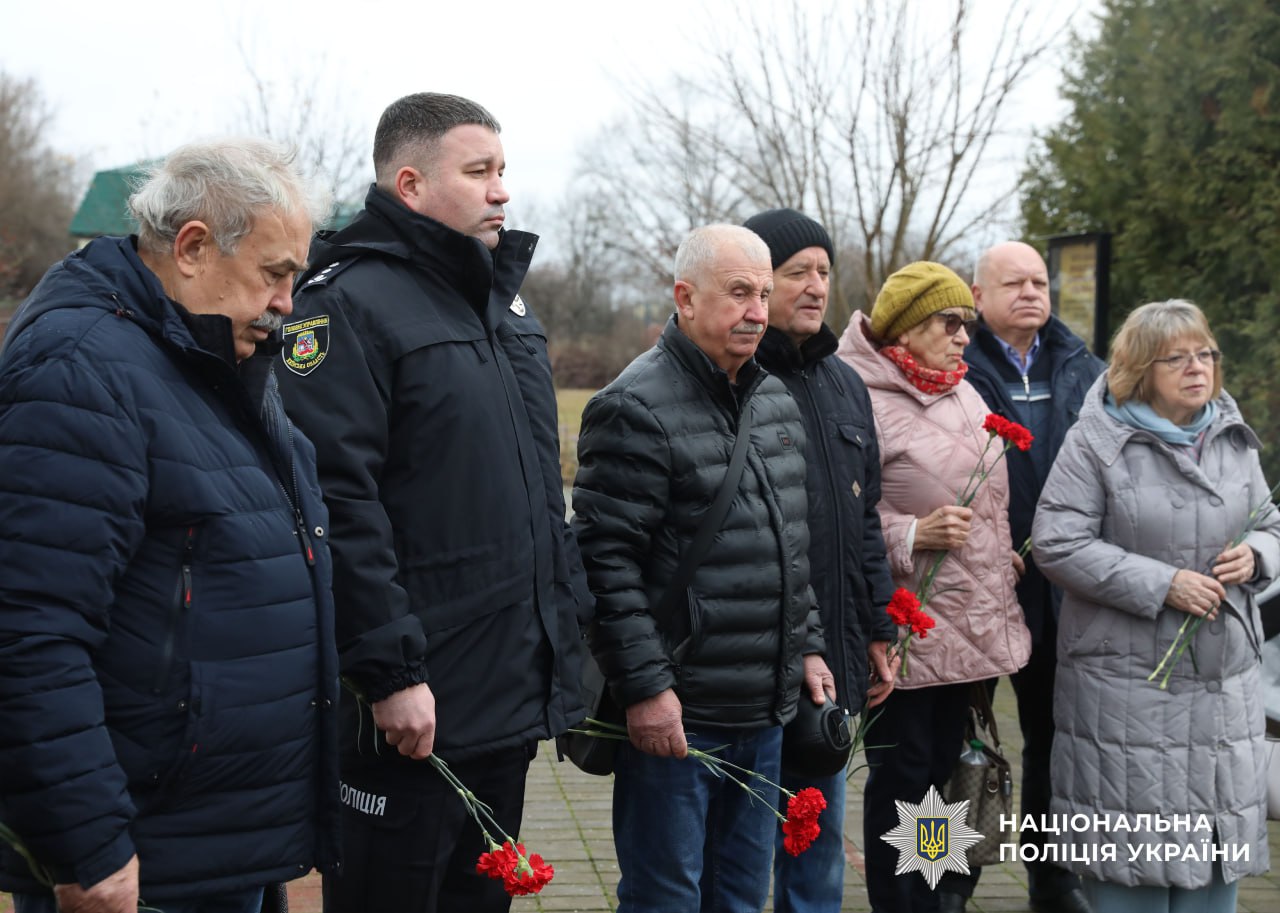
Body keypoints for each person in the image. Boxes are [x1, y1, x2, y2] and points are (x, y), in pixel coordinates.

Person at [0, 139, 339, 913]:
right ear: (192, 248)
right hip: (141, 858)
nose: (290, 301)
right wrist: (87, 841)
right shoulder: (79, 370)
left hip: (221, 840)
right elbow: (30, 628)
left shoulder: (205, 356)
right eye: (276, 273)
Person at [274, 92, 589, 913]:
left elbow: (529, 503)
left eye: (503, 171)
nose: (501, 192)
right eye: (479, 172)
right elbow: (336, 500)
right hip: (412, 711)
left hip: (507, 701)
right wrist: (390, 673)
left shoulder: (506, 306)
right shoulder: (344, 305)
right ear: (409, 185)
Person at [572, 224, 833, 913]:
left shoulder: (775, 399)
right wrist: (648, 689)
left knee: (743, 896)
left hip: (766, 710)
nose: (756, 310)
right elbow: (605, 567)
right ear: (685, 298)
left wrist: (807, 645)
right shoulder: (632, 406)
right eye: (739, 292)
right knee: (666, 897)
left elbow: (789, 546)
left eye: (763, 294)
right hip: (681, 715)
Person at [1032, 299, 1280, 912]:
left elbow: (1269, 521)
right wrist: (1162, 583)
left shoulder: (1231, 434)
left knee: (1213, 869)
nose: (1198, 368)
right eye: (1178, 358)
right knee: (1129, 864)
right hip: (1128, 690)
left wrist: (1257, 556)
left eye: (1206, 354)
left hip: (1225, 692)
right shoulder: (1097, 439)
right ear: (1142, 368)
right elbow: (1057, 543)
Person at [836, 262, 1031, 913]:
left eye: (967, 324)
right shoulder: (857, 392)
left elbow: (985, 494)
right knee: (902, 771)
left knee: (945, 769)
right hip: (905, 627)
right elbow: (843, 511)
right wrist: (911, 532)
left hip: (969, 622)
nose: (963, 337)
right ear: (907, 326)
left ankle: (931, 892)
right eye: (950, 322)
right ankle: (898, 900)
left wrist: (1000, 553)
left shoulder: (963, 389)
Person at [743, 208, 899, 913]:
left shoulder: (845, 385)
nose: (814, 286)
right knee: (740, 861)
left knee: (817, 856)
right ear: (758, 283)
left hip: (833, 665)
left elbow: (863, 518)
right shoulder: (735, 378)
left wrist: (879, 629)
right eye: (795, 271)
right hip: (747, 667)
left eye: (823, 272)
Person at [959, 241, 1103, 913]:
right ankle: (943, 879)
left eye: (1039, 281)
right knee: (950, 745)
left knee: (1053, 744)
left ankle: (1053, 882)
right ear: (978, 296)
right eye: (1012, 282)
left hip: (1061, 592)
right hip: (970, 592)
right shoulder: (953, 368)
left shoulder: (1088, 370)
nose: (1030, 292)